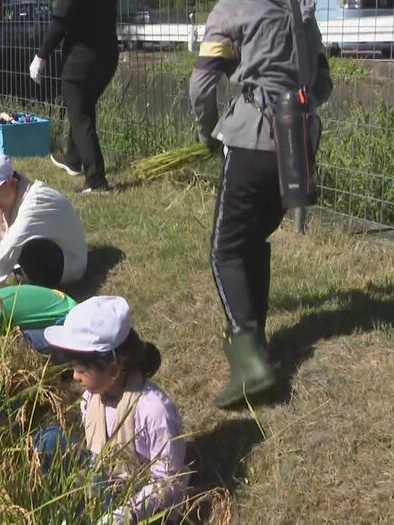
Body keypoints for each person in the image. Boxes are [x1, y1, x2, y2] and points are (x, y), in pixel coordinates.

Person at [189, 0, 333, 408]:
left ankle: (250, 360)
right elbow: (322, 83)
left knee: (225, 249)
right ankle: (257, 338)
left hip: (253, 137)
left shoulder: (233, 9)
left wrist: (207, 131)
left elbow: (202, 84)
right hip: (299, 144)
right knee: (254, 237)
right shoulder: (301, 10)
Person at [34, 296, 188, 524]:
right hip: (104, 481)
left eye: (80, 369)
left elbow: (168, 480)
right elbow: (96, 453)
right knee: (49, 440)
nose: (75, 376)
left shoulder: (153, 410)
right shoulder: (91, 399)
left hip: (140, 505)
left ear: (113, 370)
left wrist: (127, 513)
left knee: (98, 486)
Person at [29, 0, 118, 193]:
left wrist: (41, 55)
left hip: (81, 60)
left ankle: (96, 181)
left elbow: (60, 20)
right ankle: (73, 159)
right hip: (108, 56)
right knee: (82, 109)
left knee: (81, 117)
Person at [0, 153, 88, 290]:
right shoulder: (15, 193)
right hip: (50, 251)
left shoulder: (35, 202)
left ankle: (42, 290)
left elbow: (13, 243)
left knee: (29, 249)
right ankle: (23, 276)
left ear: (11, 182)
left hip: (70, 265)